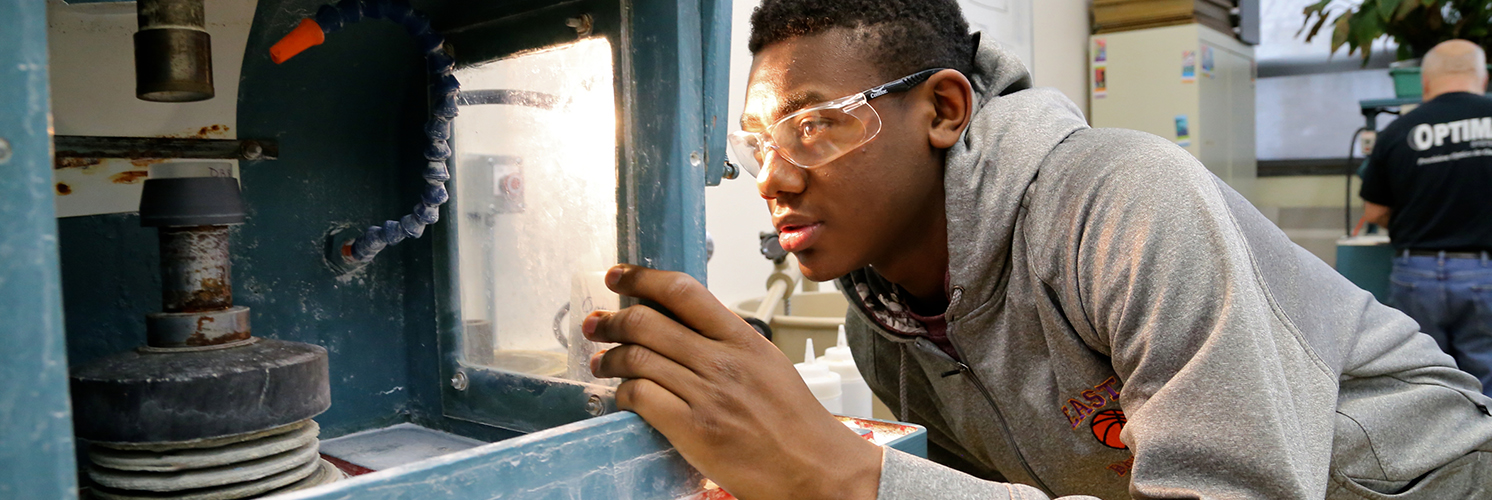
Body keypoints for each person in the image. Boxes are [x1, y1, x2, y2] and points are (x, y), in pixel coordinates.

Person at [581, 2, 1492, 498]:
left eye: (814, 126)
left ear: (943, 108)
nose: (773, 179)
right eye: (757, 143)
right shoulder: (882, 325)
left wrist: (841, 473)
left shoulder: (1123, 204)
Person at [1360, 39, 1492, 398]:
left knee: (1426, 383)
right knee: (1487, 378)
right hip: (1485, 274)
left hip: (1415, 274)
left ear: (1426, 83)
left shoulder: (1397, 132)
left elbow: (1374, 212)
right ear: (1483, 79)